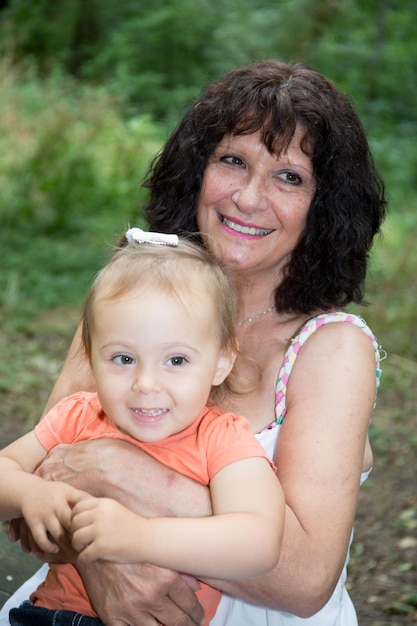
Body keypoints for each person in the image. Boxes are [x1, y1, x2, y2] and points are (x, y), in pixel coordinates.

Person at [0, 59, 386, 626]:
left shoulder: (330, 349)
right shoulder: (131, 301)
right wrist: (105, 568)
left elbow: (305, 581)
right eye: (233, 160)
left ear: (323, 207)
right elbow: (38, 495)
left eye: (289, 177)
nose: (250, 198)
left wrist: (121, 475)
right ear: (196, 170)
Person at [0, 231, 284, 626]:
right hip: (50, 616)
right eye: (123, 357)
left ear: (221, 361)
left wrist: (140, 536)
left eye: (177, 361)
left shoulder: (222, 439)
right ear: (91, 356)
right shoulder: (79, 416)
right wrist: (31, 492)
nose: (146, 383)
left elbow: (260, 542)